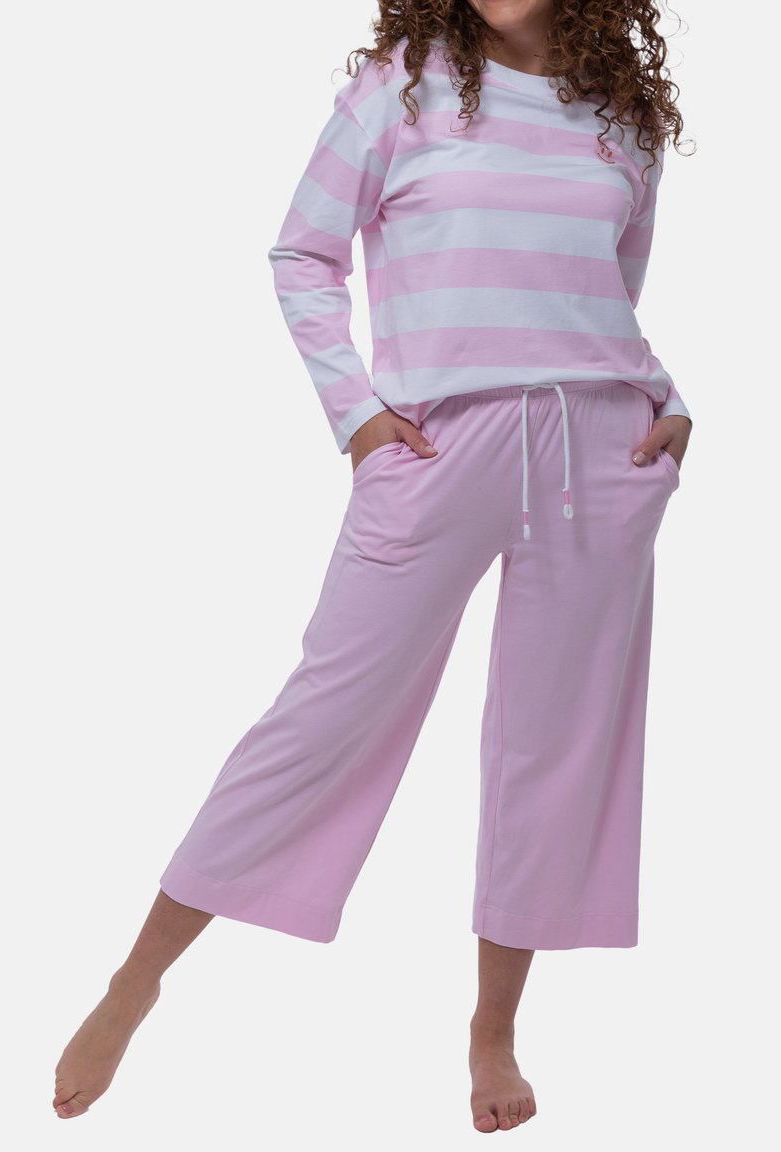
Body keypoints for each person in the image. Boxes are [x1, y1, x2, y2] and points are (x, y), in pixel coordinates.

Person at [53, 0, 693, 1133]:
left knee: (557, 744)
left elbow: (607, 295)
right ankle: (135, 978)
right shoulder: (401, 84)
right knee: (325, 717)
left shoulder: (623, 113)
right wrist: (355, 414)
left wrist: (665, 402)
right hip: (437, 445)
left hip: (601, 448)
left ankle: (492, 1031)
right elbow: (301, 251)